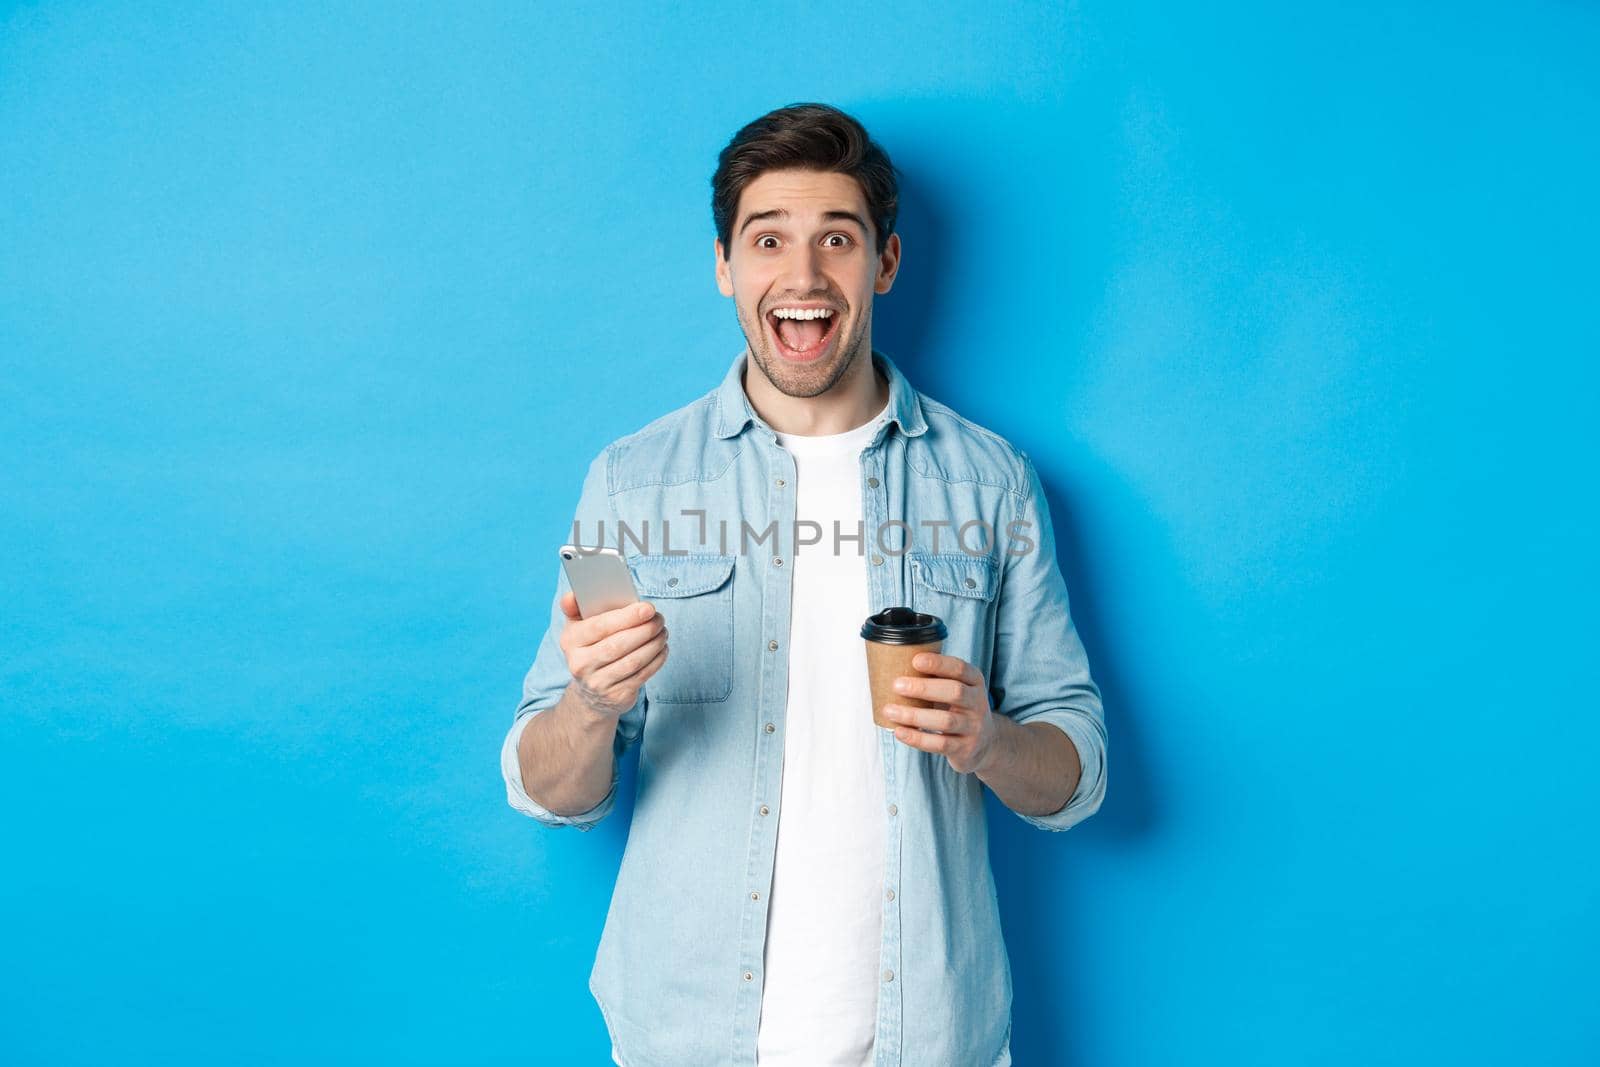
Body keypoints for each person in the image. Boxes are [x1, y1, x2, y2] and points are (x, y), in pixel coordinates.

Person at [500, 102, 1107, 1067]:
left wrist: (988, 738)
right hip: (685, 1034)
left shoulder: (992, 483)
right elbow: (546, 785)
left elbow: (1076, 775)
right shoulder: (633, 481)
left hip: (933, 1038)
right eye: (767, 238)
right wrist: (588, 700)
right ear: (724, 266)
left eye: (838, 238)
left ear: (886, 264)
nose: (804, 274)